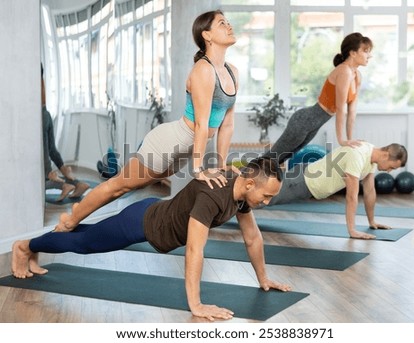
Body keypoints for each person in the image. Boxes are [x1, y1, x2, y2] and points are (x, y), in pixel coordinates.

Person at [12, 157, 292, 321]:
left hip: (149, 216)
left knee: (85, 236)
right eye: (266, 196)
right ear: (250, 183)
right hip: (140, 223)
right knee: (82, 244)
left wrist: (264, 278)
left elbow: (253, 238)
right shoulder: (213, 196)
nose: (266, 202)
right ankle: (25, 246)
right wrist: (195, 304)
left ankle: (35, 246)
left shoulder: (242, 195)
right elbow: (195, 249)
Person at [55, 10, 239, 232]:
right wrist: (198, 169)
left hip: (182, 152)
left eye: (227, 22)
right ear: (207, 35)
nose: (229, 26)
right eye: (222, 23)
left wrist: (221, 164)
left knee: (128, 186)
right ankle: (71, 218)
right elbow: (202, 124)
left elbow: (226, 124)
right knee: (118, 186)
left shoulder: (232, 72)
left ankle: (78, 213)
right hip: (169, 143)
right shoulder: (203, 70)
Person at [264, 32, 373, 164]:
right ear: (353, 53)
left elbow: (352, 113)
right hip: (304, 121)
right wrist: (342, 140)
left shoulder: (357, 76)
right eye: (366, 51)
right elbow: (340, 108)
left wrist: (350, 140)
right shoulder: (344, 71)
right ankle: (242, 176)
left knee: (280, 159)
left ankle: (250, 180)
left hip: (314, 124)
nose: (370, 55)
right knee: (271, 158)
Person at [269, 142, 408, 240]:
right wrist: (352, 230)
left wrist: (372, 222)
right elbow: (351, 197)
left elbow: (370, 191)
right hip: (301, 181)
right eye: (392, 167)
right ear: (385, 156)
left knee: (257, 198)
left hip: (307, 183)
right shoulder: (358, 156)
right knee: (258, 199)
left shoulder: (371, 158)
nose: (390, 171)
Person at [41, 63, 90, 200]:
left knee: (42, 176)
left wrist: (48, 171)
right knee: (52, 150)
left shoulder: (30, 76)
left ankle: (63, 185)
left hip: (39, 116)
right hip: (45, 113)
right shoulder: (38, 76)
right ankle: (77, 183)